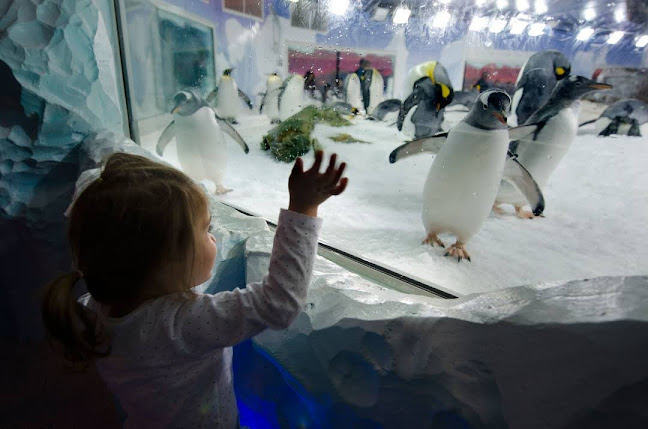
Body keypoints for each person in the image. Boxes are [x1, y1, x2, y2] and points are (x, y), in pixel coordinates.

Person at [41, 150, 348, 428]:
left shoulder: (94, 306)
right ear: (163, 261)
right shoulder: (183, 323)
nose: (213, 236)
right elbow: (279, 304)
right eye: (204, 229)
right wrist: (303, 210)